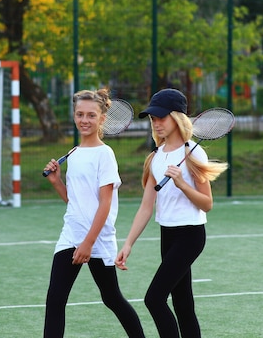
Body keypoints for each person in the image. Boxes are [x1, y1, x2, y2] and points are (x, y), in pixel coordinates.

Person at [115, 88, 228, 338]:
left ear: (177, 117)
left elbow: (207, 203)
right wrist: (128, 244)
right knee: (182, 304)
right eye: (153, 119)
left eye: (161, 118)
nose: (156, 123)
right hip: (168, 235)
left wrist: (182, 185)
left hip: (190, 236)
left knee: (154, 299)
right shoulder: (155, 157)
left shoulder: (193, 152)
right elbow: (146, 207)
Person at [42, 88, 145, 338]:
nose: (84, 120)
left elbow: (104, 204)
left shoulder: (105, 154)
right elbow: (75, 201)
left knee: (111, 298)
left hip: (97, 238)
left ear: (102, 119)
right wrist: (56, 182)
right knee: (55, 300)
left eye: (90, 115)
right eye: (79, 114)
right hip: (70, 235)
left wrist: (88, 243)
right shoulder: (74, 154)